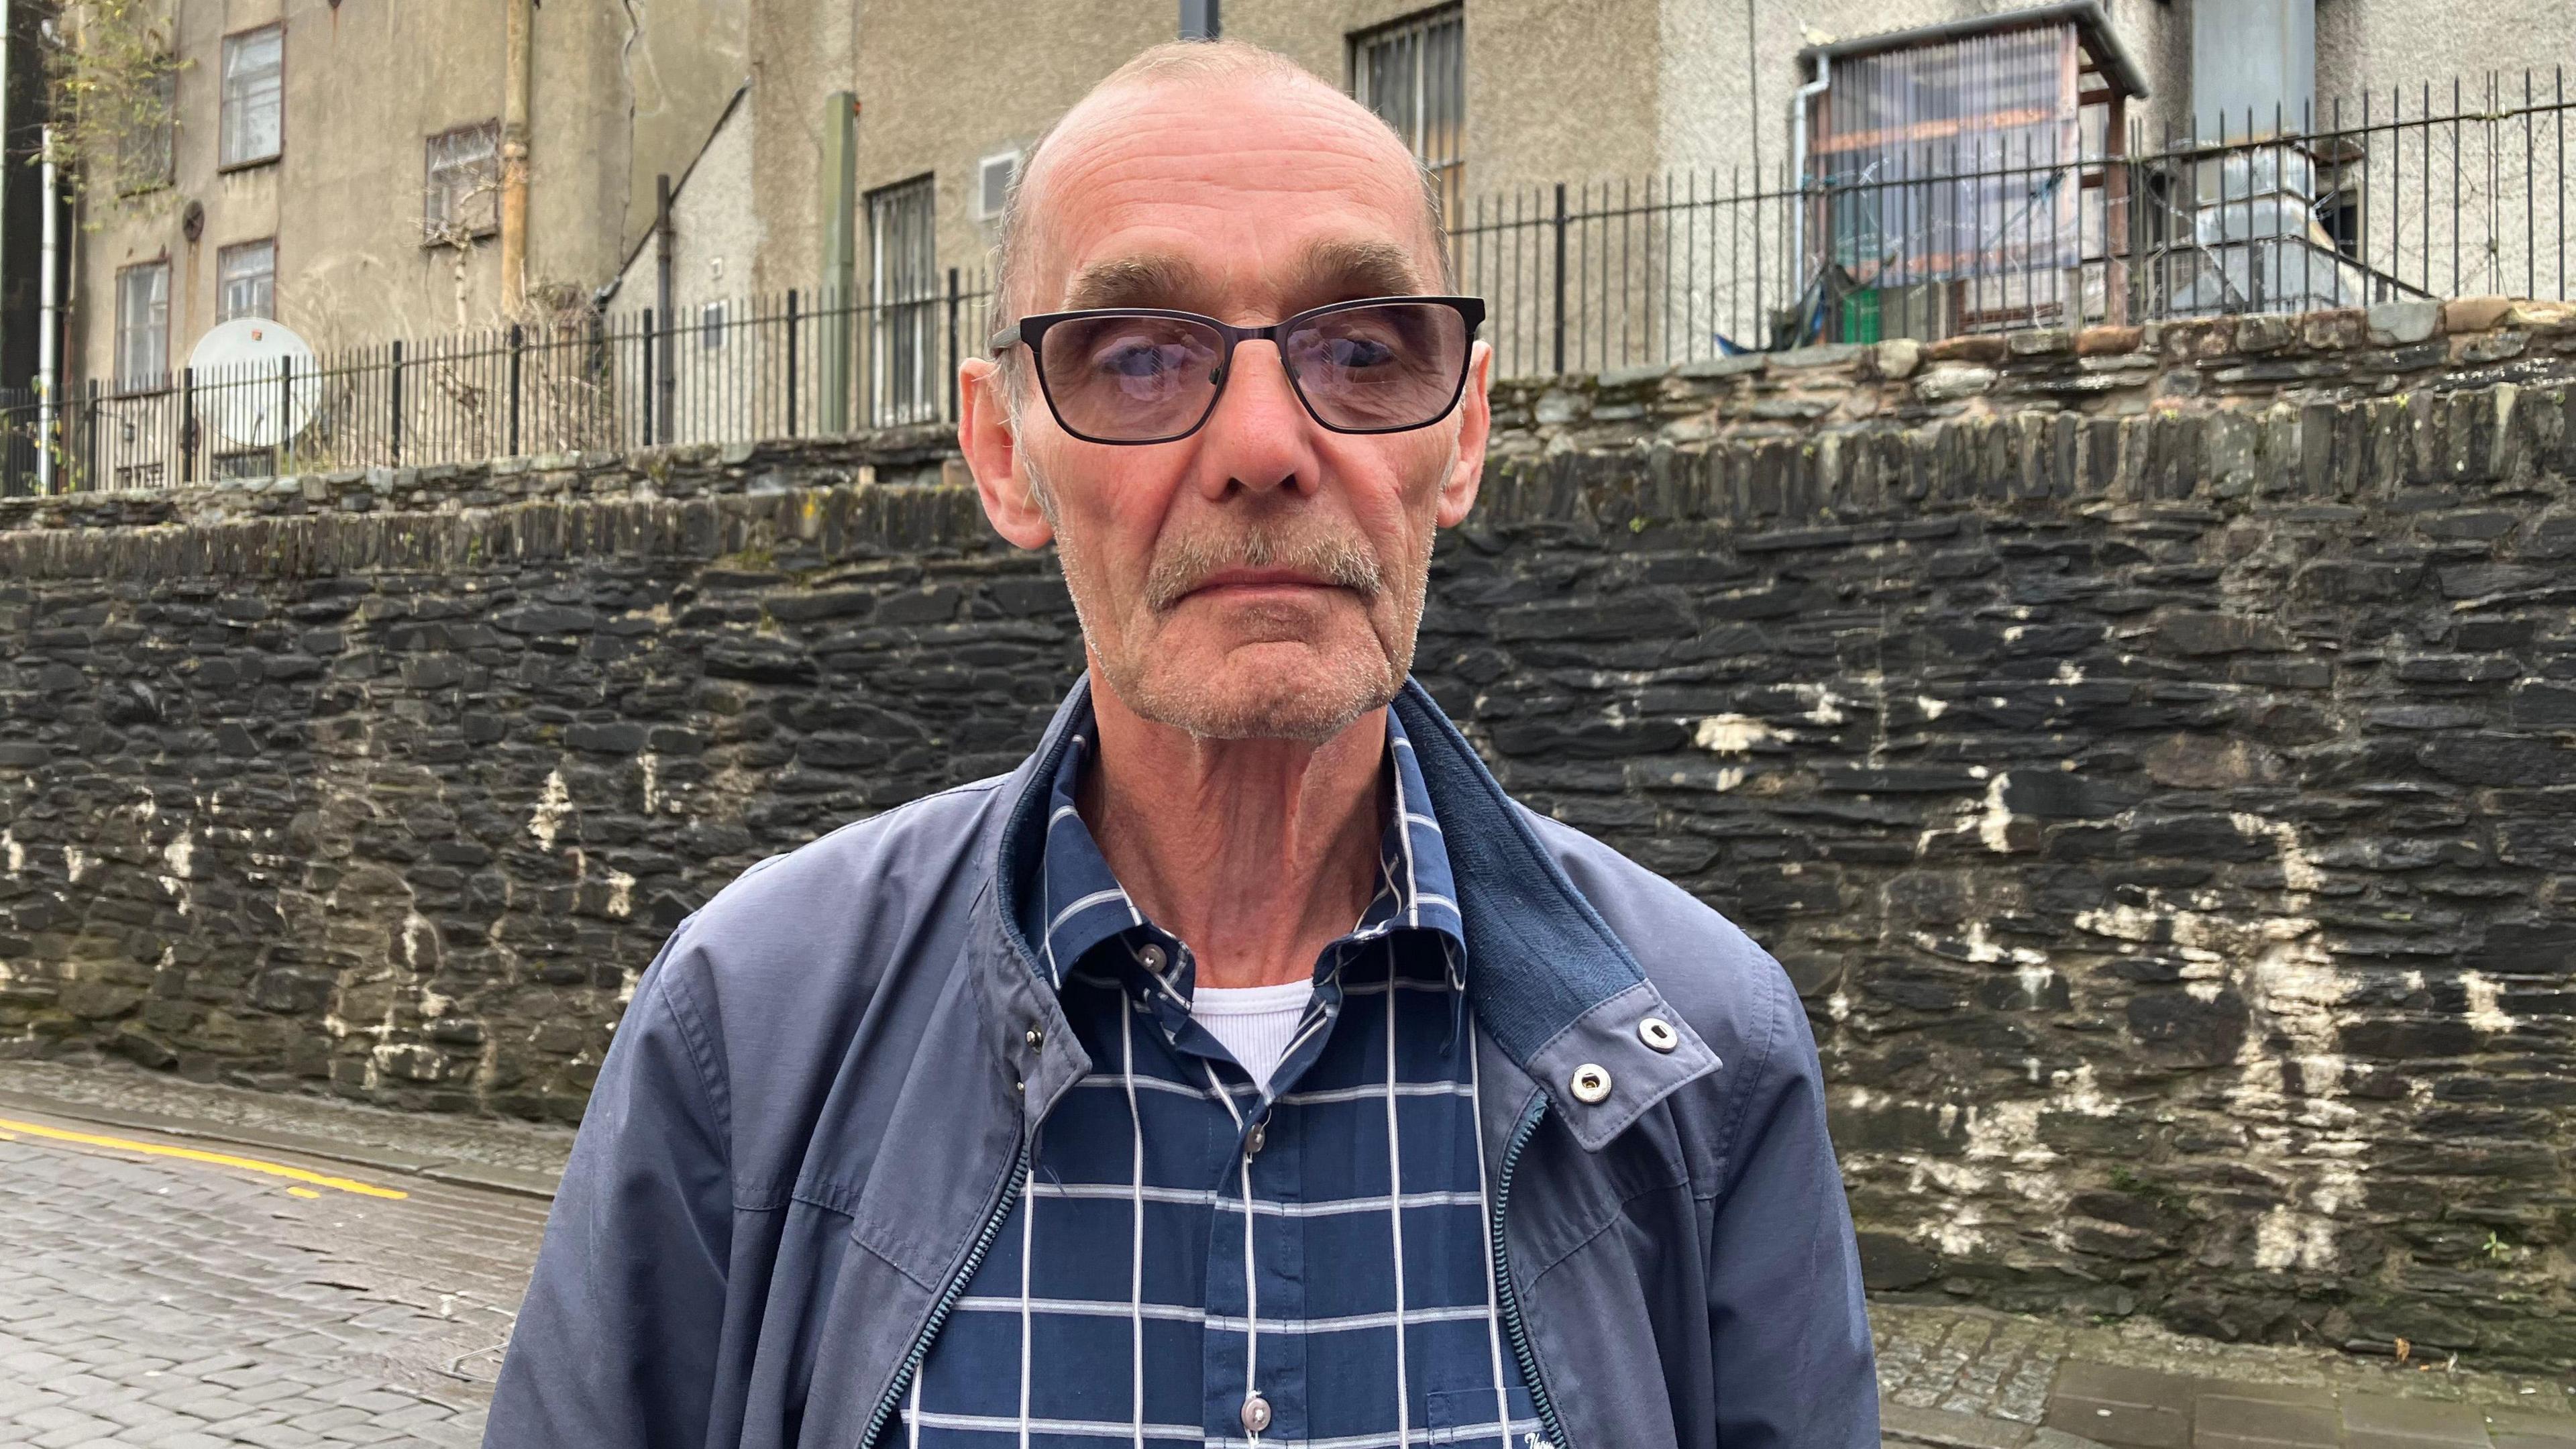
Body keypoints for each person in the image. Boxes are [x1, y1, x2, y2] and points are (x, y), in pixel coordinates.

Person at [486, 39, 1877, 1449]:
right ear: (1003, 454)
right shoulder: (747, 1030)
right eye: (1141, 358)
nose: (1265, 443)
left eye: (1363, 348)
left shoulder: (1711, 1052)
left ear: (1462, 438)